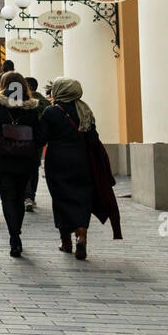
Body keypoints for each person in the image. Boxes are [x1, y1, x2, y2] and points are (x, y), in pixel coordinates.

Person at [40, 78, 113, 260]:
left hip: (57, 162)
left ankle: (66, 242)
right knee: (81, 198)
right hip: (82, 161)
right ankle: (81, 236)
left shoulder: (51, 112)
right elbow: (93, 140)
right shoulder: (85, 110)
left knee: (61, 199)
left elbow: (42, 137)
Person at [0, 70, 45, 257]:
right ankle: (17, 231)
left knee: (7, 196)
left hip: (2, 159)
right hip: (26, 160)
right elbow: (39, 134)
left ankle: (14, 236)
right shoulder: (32, 107)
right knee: (19, 197)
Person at [24, 76, 51, 211]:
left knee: (24, 167)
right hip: (38, 140)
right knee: (34, 167)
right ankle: (31, 196)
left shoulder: (20, 101)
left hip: (22, 140)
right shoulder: (44, 102)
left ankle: (26, 196)